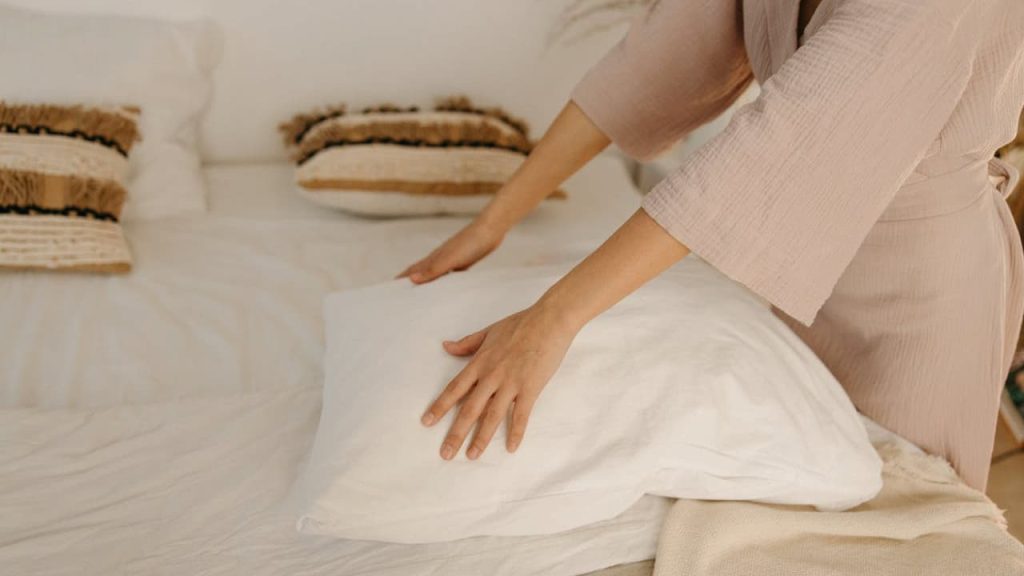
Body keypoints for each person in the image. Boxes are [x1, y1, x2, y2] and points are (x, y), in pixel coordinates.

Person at [401, 0, 1024, 491]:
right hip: (804, 270)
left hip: (918, 301)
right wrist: (496, 219)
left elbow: (778, 145)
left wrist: (552, 318)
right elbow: (652, 64)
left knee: (902, 518)